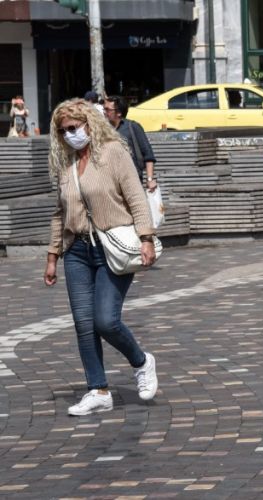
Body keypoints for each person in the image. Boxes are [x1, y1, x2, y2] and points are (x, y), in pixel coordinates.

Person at [43, 99, 158, 416]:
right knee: (84, 324)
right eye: (63, 131)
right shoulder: (66, 163)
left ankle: (141, 361)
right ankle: (98, 390)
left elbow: (136, 196)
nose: (69, 135)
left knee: (106, 320)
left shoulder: (113, 152)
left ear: (89, 124)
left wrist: (146, 237)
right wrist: (52, 255)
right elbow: (60, 212)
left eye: (73, 128)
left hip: (112, 246)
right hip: (76, 251)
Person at [103, 96, 158, 192]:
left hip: (132, 180)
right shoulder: (103, 130)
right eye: (104, 109)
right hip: (110, 182)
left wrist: (150, 179)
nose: (104, 112)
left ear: (119, 113)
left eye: (107, 109)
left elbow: (148, 155)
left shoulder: (132, 127)